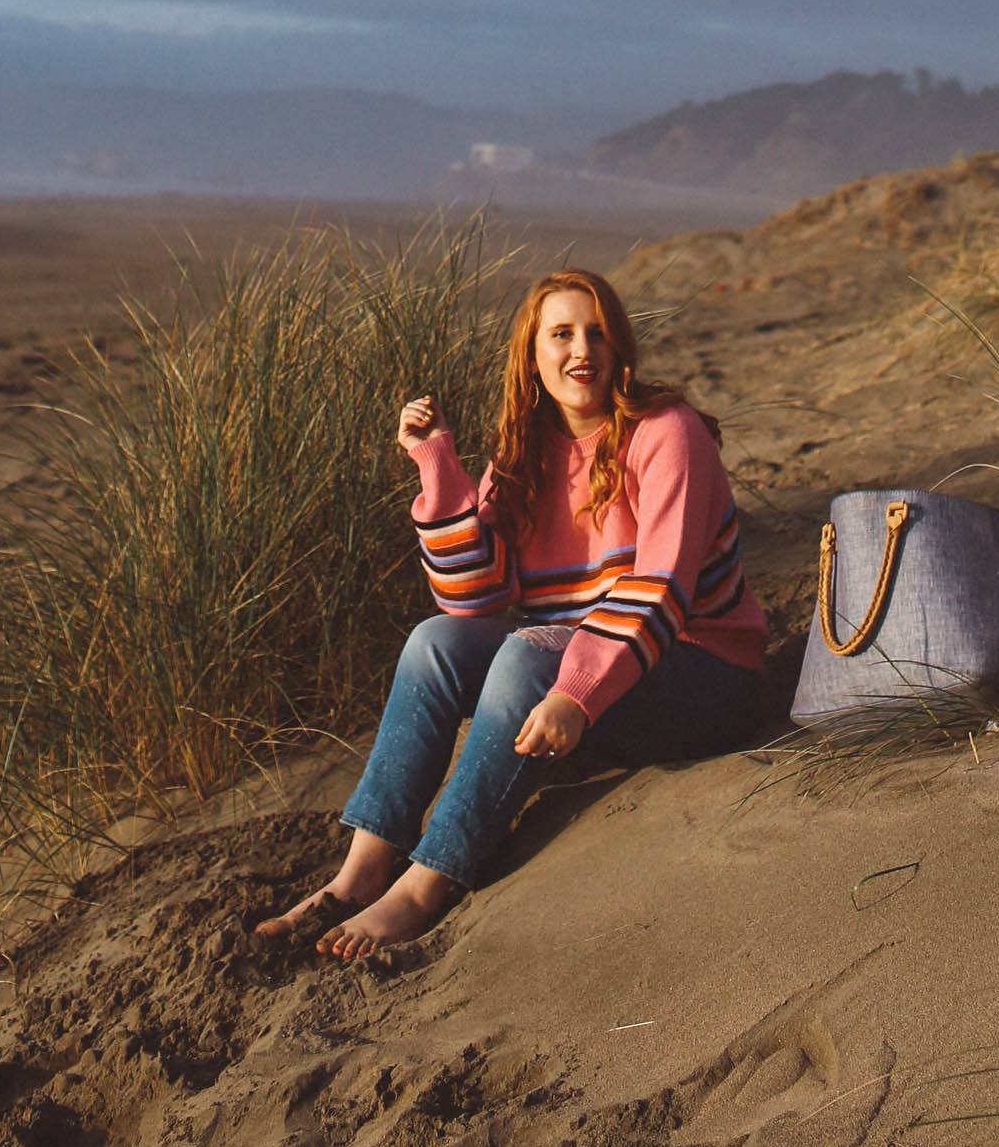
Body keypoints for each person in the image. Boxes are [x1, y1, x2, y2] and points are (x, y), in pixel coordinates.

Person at [256, 266, 767, 962]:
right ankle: (363, 871)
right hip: (590, 675)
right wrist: (438, 467)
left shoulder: (667, 433)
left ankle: (424, 884)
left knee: (528, 655)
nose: (580, 349)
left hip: (703, 679)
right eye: (560, 334)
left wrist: (573, 692)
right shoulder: (526, 451)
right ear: (533, 357)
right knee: (435, 642)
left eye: (596, 333)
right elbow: (473, 602)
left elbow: (661, 593)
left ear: (619, 350)